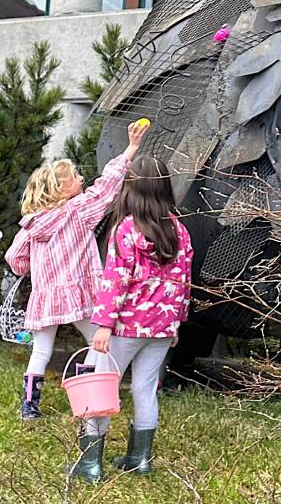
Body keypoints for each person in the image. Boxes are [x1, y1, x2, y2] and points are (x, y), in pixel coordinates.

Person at [5, 121, 148, 420]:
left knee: (40, 351)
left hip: (46, 296)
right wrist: (131, 149)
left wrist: (34, 270)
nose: (82, 178)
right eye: (75, 176)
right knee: (97, 339)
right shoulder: (78, 211)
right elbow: (106, 188)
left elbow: (14, 258)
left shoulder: (32, 223)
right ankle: (88, 394)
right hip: (77, 291)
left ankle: (29, 407)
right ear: (61, 189)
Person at [69, 154, 193, 483]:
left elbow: (115, 281)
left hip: (125, 328)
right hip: (162, 329)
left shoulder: (126, 229)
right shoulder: (180, 231)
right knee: (145, 389)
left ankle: (90, 464)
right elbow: (184, 282)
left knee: (102, 389)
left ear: (131, 188)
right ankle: (140, 459)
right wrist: (176, 322)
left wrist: (103, 325)